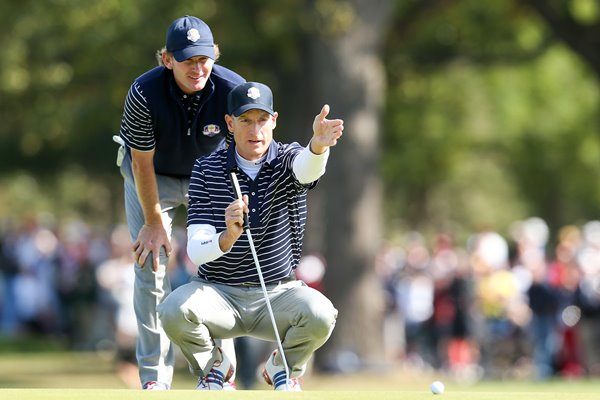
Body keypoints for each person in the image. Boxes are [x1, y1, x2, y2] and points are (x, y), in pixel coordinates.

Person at [157, 81, 342, 391]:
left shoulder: (287, 158)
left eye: (262, 120)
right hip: (219, 294)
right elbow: (197, 251)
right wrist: (227, 237)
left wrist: (319, 146)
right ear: (230, 123)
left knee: (321, 313)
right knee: (173, 310)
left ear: (274, 121)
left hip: (277, 294)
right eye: (245, 120)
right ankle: (216, 368)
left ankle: (281, 368)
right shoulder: (207, 169)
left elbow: (307, 170)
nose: (255, 129)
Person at [117, 15, 245, 390]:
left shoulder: (231, 89)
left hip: (208, 174)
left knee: (221, 262)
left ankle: (219, 372)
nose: (198, 67)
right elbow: (141, 161)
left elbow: (249, 150)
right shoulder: (144, 92)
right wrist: (154, 223)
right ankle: (155, 379)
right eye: (188, 60)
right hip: (151, 175)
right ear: (167, 60)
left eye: (205, 58)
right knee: (151, 265)